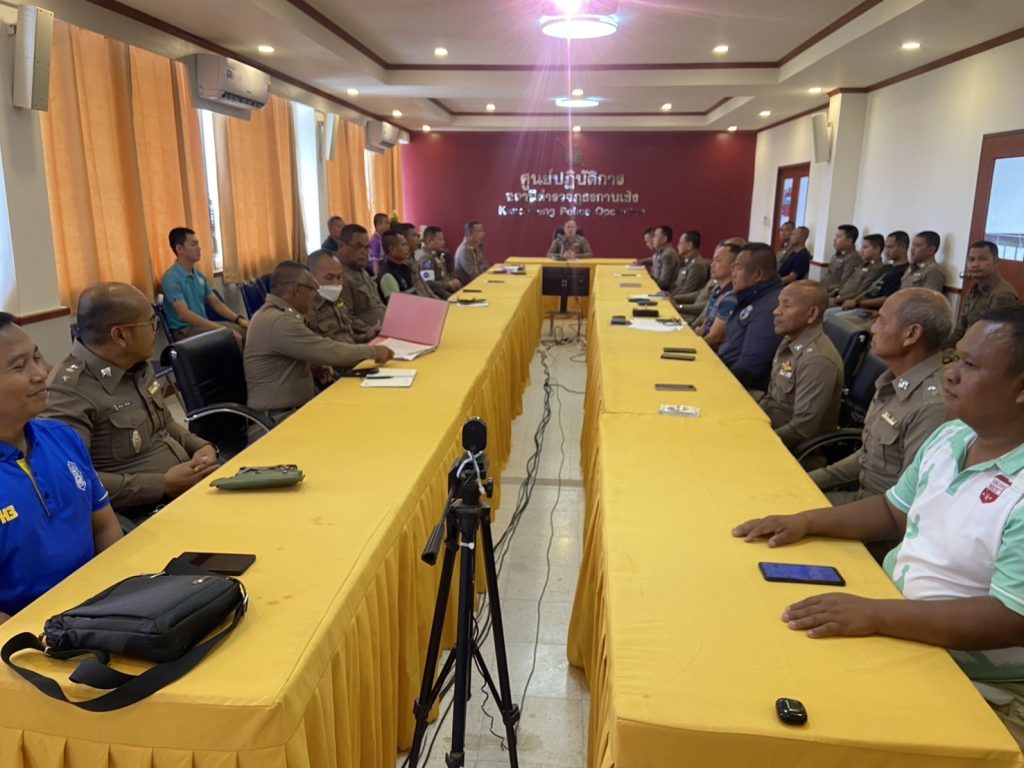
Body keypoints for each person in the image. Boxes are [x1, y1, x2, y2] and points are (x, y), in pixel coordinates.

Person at [733, 305, 1024, 747]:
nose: (950, 374)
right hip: (902, 625)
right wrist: (804, 521)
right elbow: (892, 511)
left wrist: (874, 614)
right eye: (955, 358)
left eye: (970, 365)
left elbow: (1011, 618)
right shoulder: (952, 437)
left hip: (975, 680)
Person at [43, 283, 219, 518]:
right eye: (152, 324)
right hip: (144, 513)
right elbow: (73, 480)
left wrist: (201, 447)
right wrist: (162, 484)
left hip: (188, 489)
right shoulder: (69, 392)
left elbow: (165, 424)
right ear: (120, 335)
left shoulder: (136, 365)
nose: (155, 331)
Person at [0, 313, 122, 622]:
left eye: (36, 357)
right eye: (19, 366)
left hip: (102, 610)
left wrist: (121, 593)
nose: (41, 373)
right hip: (28, 635)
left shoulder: (62, 437)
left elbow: (105, 526)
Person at [811, 288, 951, 504]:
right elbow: (866, 457)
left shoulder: (931, 406)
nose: (873, 328)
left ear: (911, 334)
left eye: (882, 322)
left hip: (879, 514)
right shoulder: (891, 380)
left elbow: (906, 503)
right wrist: (809, 480)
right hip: (861, 497)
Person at [244, 261, 394, 423]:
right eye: (312, 289)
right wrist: (374, 351)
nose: (314, 295)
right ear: (298, 289)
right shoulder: (279, 321)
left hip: (295, 410)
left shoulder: (277, 315)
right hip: (278, 420)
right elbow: (330, 351)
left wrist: (312, 366)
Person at [759, 281, 844, 451]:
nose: (776, 311)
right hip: (769, 423)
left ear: (811, 314)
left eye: (787, 305)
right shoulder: (790, 340)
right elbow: (772, 398)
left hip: (792, 448)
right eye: (778, 303)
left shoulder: (817, 360)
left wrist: (758, 440)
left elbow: (802, 430)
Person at [160, 227, 248, 343]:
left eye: (198, 244)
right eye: (194, 244)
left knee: (246, 330)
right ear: (179, 249)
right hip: (185, 331)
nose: (199, 248)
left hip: (202, 327)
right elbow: (184, 314)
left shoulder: (200, 276)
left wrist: (238, 319)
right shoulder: (171, 278)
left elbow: (216, 303)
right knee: (230, 336)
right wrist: (221, 329)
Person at [718, 242, 784, 391]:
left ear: (758, 274)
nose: (733, 274)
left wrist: (716, 384)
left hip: (741, 385)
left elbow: (748, 368)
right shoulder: (750, 296)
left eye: (738, 268)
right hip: (725, 369)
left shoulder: (770, 307)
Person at [828, 230, 912, 328]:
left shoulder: (904, 271)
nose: (886, 251)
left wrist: (857, 302)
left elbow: (887, 298)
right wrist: (854, 300)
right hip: (861, 304)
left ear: (903, 247)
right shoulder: (887, 268)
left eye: (890, 247)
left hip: (873, 309)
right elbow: (870, 289)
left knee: (834, 319)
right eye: (886, 247)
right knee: (830, 315)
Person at [949, 241, 1021, 346]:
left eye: (982, 259)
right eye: (971, 259)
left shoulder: (1002, 295)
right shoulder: (974, 290)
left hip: (984, 351)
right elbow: (960, 330)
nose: (975, 264)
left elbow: (997, 340)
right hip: (967, 346)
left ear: (996, 263)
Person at [306, 250, 375, 343]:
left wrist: (366, 336)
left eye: (339, 277)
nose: (336, 283)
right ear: (311, 277)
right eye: (329, 278)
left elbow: (348, 338)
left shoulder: (338, 302)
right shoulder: (308, 308)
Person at [337, 224, 387, 336]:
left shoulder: (360, 268)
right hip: (369, 335)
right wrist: (369, 330)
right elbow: (346, 316)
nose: (365, 252)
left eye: (367, 247)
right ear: (341, 245)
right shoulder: (338, 276)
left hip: (386, 326)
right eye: (358, 247)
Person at [694, 242, 741, 350]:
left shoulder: (730, 297)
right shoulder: (718, 289)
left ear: (732, 267)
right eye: (713, 260)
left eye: (718, 261)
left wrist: (689, 344)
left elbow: (714, 338)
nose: (712, 265)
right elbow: (705, 327)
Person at [827, 234, 888, 310]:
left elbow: (861, 291)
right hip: (839, 297)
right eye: (862, 247)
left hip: (847, 302)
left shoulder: (877, 268)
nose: (862, 251)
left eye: (865, 247)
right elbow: (845, 284)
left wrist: (837, 300)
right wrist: (831, 295)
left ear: (877, 249)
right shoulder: (863, 265)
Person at [378, 231, 437, 302]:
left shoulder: (407, 267)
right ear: (392, 249)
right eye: (404, 245)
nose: (408, 248)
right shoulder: (387, 275)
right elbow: (396, 305)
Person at [415, 226, 461, 298]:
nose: (443, 242)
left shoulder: (435, 254)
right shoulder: (426, 258)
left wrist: (453, 281)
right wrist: (449, 284)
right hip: (438, 294)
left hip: (447, 289)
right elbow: (429, 283)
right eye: (440, 239)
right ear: (430, 241)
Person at [819, 225, 862, 296]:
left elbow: (843, 284)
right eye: (836, 236)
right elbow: (828, 277)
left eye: (838, 237)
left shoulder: (853, 258)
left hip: (831, 294)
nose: (834, 240)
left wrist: (824, 293)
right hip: (822, 289)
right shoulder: (836, 255)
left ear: (849, 241)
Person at [670, 231, 707, 300]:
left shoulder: (696, 265)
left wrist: (671, 297)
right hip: (675, 297)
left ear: (689, 246)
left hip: (682, 302)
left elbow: (686, 291)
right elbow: (677, 286)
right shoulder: (687, 261)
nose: (677, 246)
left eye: (680, 243)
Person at [640, 225, 678, 291]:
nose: (653, 239)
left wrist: (645, 282)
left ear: (664, 239)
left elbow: (664, 283)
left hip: (664, 292)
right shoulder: (661, 251)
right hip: (656, 286)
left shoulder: (667, 254)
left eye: (655, 236)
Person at [455, 220, 488, 285]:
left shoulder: (477, 246)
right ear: (469, 234)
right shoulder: (464, 250)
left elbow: (485, 265)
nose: (483, 234)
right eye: (479, 231)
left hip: (480, 281)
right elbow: (473, 274)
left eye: (482, 231)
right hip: (468, 286)